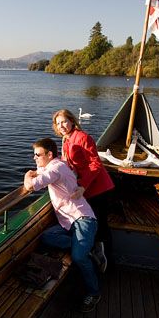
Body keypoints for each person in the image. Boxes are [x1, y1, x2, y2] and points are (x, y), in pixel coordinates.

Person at [23, 137, 100, 312]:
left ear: (49, 154)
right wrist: (38, 169)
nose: (34, 158)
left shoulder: (56, 168)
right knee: (47, 237)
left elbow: (31, 186)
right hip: (68, 223)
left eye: (37, 155)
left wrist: (27, 175)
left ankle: (94, 292)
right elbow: (41, 170)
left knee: (79, 257)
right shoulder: (55, 164)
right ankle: (90, 247)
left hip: (83, 219)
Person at [52, 109, 114, 270]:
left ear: (72, 121)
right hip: (85, 187)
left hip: (98, 186)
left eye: (64, 121)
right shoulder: (66, 140)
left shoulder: (82, 137)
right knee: (93, 221)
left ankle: (106, 258)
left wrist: (82, 186)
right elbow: (66, 163)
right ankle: (92, 252)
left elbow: (95, 164)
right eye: (58, 124)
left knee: (100, 223)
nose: (61, 126)